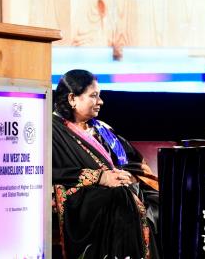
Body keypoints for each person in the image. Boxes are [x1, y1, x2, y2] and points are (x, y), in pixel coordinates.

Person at [52, 69, 159, 259]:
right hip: (81, 198)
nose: (100, 101)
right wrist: (101, 177)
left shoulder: (101, 128)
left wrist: (128, 176)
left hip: (120, 189)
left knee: (161, 199)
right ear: (72, 99)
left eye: (99, 95)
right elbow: (53, 171)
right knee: (120, 198)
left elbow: (133, 162)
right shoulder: (52, 131)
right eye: (93, 96)